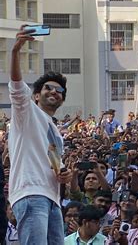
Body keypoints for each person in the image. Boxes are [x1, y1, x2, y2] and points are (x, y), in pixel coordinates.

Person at [8, 26, 72, 244]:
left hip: (52, 198)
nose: (54, 92)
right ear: (35, 95)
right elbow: (17, 87)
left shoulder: (55, 131)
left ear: (62, 100)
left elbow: (55, 165)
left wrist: (64, 176)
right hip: (31, 192)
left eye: (59, 91)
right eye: (48, 88)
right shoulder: (26, 112)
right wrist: (16, 51)